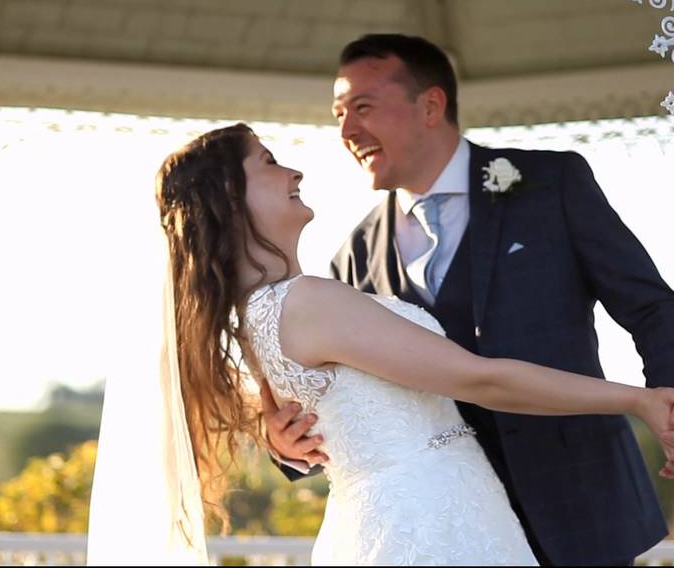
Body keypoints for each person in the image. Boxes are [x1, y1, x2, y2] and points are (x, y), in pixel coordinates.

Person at [88, 122, 674, 566]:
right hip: (429, 526)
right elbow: (481, 379)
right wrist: (640, 400)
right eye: (269, 163)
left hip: (422, 516)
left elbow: (290, 401)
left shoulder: (258, 316)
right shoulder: (311, 300)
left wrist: (274, 432)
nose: (294, 172)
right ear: (229, 198)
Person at [262, 33, 674, 565]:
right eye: (339, 114)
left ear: (431, 105)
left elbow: (650, 305)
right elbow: (338, 400)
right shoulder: (354, 257)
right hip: (453, 525)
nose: (346, 130)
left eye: (362, 107)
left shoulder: (552, 184)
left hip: (583, 508)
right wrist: (286, 446)